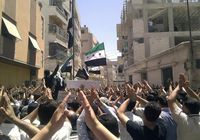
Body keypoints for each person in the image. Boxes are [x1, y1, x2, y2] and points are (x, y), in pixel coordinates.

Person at [168, 74, 200, 140]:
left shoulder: (183, 119)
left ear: (188, 110)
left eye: (183, 106)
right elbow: (198, 100)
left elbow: (170, 100)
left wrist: (179, 86)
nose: (182, 107)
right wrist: (186, 88)